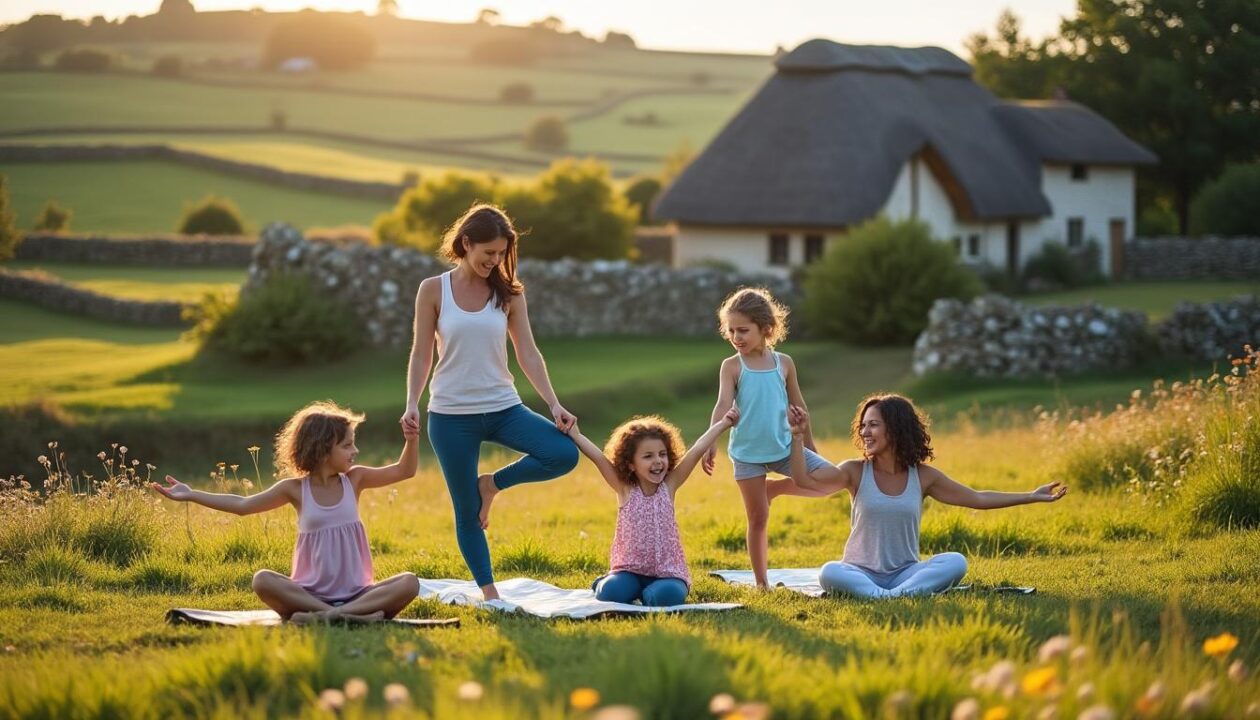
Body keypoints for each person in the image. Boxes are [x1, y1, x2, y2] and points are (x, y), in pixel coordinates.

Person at [401, 204, 579, 600]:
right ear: (466, 243)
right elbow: (420, 353)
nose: (495, 261)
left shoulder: (510, 294)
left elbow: (528, 354)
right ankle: (490, 593)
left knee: (562, 454)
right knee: (466, 513)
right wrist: (412, 402)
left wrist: (554, 404)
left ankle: (491, 485)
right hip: (449, 416)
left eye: (501, 254)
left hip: (503, 407)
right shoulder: (433, 289)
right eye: (488, 253)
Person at [150, 401, 421, 623]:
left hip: (360, 594)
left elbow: (404, 470)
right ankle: (346, 617)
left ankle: (332, 616)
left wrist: (411, 439)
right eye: (347, 445)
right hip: (308, 594)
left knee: (409, 582)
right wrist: (191, 494)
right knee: (263, 580)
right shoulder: (294, 489)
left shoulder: (356, 480)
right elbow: (243, 506)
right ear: (323, 448)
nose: (355, 451)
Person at [778, 395, 1068, 598]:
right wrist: (797, 436)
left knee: (955, 561)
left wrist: (1031, 496)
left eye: (873, 424)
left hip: (906, 573)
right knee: (830, 572)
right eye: (863, 425)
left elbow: (977, 498)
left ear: (895, 428)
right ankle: (886, 596)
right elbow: (804, 479)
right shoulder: (854, 471)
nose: (865, 431)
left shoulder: (924, 477)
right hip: (860, 571)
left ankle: (888, 596)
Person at [702, 287, 834, 588]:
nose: (736, 337)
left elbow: (800, 407)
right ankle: (762, 583)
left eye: (743, 330)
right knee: (758, 519)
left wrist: (811, 447)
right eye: (731, 331)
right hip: (747, 454)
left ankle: (775, 489)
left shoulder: (784, 363)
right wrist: (710, 442)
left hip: (785, 448)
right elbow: (723, 405)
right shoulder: (732, 366)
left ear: (766, 328)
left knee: (829, 481)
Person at [567, 407, 740, 606]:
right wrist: (576, 434)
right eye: (648, 456)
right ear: (630, 464)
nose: (658, 461)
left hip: (668, 573)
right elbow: (598, 458)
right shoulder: (625, 489)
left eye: (662, 454)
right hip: (629, 571)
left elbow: (697, 449)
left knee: (665, 597)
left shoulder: (669, 486)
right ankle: (605, 583)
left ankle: (647, 595)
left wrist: (723, 424)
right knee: (610, 593)